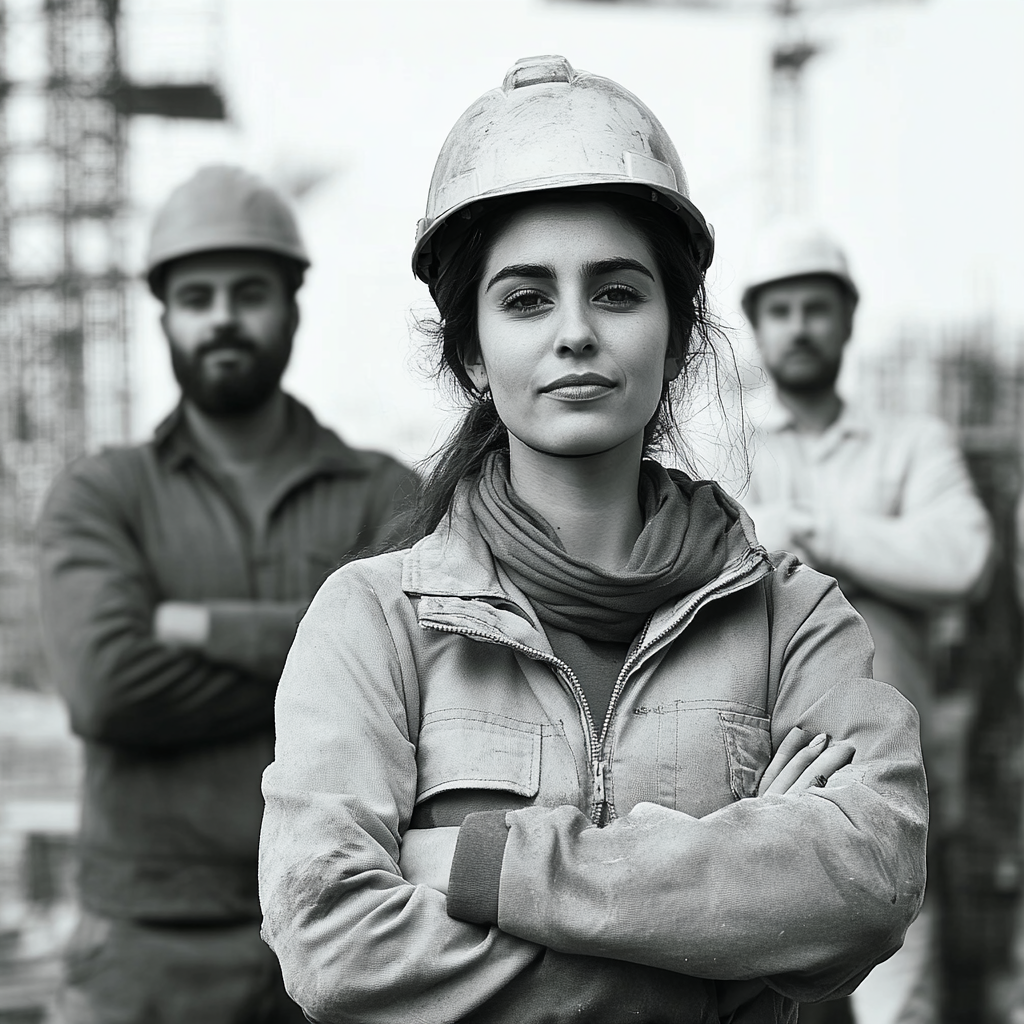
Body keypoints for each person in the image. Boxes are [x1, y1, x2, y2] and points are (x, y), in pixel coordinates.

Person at [258, 57, 928, 1024]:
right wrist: (718, 955)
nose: (575, 331)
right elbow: (333, 946)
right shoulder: (376, 621)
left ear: (678, 332)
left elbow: (869, 879)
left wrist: (480, 865)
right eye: (527, 299)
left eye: (616, 293)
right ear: (474, 355)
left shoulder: (794, 619)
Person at [37, 165, 418, 1024]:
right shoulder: (103, 495)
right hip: (146, 952)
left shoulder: (385, 497)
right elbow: (107, 690)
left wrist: (197, 627)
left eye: (249, 292)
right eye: (196, 295)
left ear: (291, 307)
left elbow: (423, 684)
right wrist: (336, 665)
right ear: (164, 314)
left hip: (346, 933)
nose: (221, 318)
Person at [740, 222, 993, 1024]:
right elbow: (701, 569)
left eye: (818, 307)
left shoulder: (913, 442)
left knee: (903, 1000)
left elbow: (959, 560)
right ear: (757, 325)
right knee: (752, 994)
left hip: (898, 779)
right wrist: (879, 555)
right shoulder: (720, 442)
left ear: (848, 319)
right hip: (758, 777)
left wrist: (808, 531)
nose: (801, 326)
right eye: (781, 310)